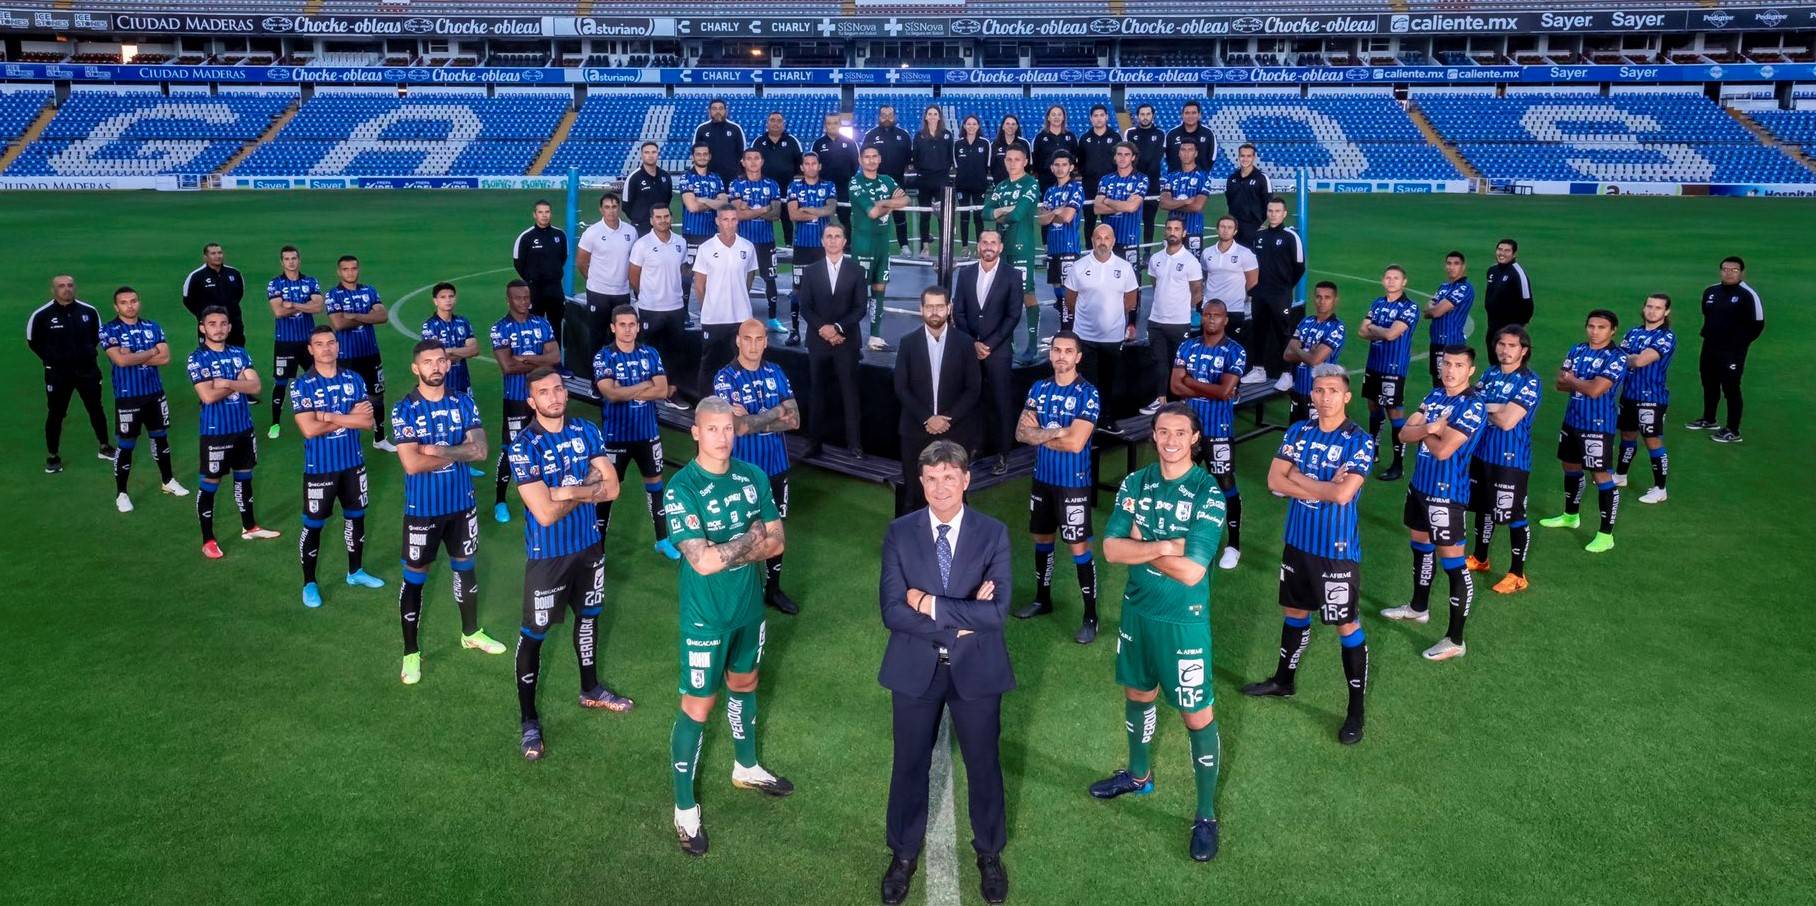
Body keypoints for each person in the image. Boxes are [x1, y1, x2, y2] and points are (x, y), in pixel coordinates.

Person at [877, 440, 1014, 906]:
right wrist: (959, 620)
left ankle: (990, 853)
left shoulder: (993, 533)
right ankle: (902, 854)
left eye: (949, 477)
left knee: (984, 765)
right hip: (916, 668)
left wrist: (929, 603)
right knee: (909, 764)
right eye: (931, 479)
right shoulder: (899, 532)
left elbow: (996, 614)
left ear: (966, 479)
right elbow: (892, 610)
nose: (940, 487)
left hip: (978, 670)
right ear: (921, 481)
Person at [1090, 403, 1229, 862]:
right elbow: (1110, 549)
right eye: (1162, 431)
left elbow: (1191, 571)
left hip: (1183, 623)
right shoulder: (1136, 482)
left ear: (1195, 439)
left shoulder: (1207, 490)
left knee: (1196, 715)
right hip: (1137, 615)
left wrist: (1143, 548)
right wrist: (1164, 545)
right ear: (1153, 435)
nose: (1170, 440)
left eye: (1180, 433)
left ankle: (1205, 814)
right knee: (1138, 694)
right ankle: (1137, 775)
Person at [664, 395, 794, 856]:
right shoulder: (682, 487)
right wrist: (749, 539)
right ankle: (684, 809)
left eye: (728, 429)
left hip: (748, 608)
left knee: (747, 681)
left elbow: (776, 542)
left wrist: (734, 549)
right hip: (705, 616)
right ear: (695, 432)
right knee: (699, 704)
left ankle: (746, 766)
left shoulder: (752, 476)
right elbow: (701, 562)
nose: (722, 437)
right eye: (712, 429)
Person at [1241, 364, 1374, 745]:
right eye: (1319, 390)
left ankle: (1355, 711)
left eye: (1333, 390)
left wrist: (1296, 479)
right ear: (1311, 395)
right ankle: (1283, 681)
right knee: (1294, 612)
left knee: (1346, 625)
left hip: (1336, 550)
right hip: (1298, 542)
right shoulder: (1298, 431)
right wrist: (1317, 484)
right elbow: (1272, 480)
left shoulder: (1359, 440)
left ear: (1346, 396)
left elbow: (1343, 495)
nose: (1325, 397)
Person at [510, 367, 633, 761]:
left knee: (590, 618)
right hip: (548, 557)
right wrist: (587, 489)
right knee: (534, 635)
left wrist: (566, 489)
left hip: (589, 547)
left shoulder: (586, 430)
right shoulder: (522, 446)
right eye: (544, 392)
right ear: (532, 401)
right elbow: (544, 515)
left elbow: (612, 487)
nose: (554, 396)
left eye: (559, 388)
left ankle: (590, 689)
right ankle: (529, 720)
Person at [390, 339, 505, 687]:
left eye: (441, 361)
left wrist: (437, 449)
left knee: (466, 571)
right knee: (415, 578)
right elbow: (411, 463)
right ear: (416, 368)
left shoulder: (463, 401)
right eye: (428, 362)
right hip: (422, 510)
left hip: (461, 507)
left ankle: (470, 632)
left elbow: (482, 450)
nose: (436, 367)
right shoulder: (404, 409)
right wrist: (459, 451)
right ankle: (411, 653)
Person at [1379, 346, 1487, 661]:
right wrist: (1431, 428)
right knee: (1420, 546)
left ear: (1471, 370)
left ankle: (1455, 639)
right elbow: (1402, 435)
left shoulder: (1472, 406)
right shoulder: (1435, 395)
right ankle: (1418, 607)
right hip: (1420, 487)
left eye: (1458, 365)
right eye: (1446, 364)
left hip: (1447, 494)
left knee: (1454, 565)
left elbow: (1444, 451)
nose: (1450, 370)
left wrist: (1422, 430)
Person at [1013, 332, 1102, 643]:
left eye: (1068, 351)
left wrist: (1043, 433)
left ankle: (1091, 616)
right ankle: (1042, 599)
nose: (1061, 355)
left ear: (1078, 357)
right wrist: (1059, 431)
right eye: (1056, 350)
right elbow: (1021, 433)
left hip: (1073, 485)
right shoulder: (1039, 388)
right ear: (1050, 354)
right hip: (1043, 479)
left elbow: (1077, 443)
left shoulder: (1087, 393)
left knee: (1078, 547)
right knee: (1042, 538)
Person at [289, 326, 385, 609]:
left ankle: (355, 571)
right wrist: (347, 417)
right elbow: (308, 429)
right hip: (320, 468)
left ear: (338, 346)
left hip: (353, 465)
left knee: (356, 519)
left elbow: (368, 422)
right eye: (319, 344)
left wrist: (327, 416)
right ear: (311, 350)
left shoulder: (354, 379)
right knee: (314, 525)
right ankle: (309, 582)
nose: (326, 348)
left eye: (331, 342)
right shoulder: (302, 384)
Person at [714, 320, 803, 615]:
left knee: (775, 527)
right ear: (738, 341)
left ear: (766, 341)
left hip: (776, 466)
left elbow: (796, 420)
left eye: (759, 339)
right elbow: (738, 428)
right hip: (742, 471)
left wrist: (756, 418)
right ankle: (741, 591)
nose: (753, 345)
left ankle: (773, 588)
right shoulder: (725, 378)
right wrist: (777, 411)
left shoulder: (775, 372)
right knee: (741, 531)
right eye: (747, 339)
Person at [187, 306, 280, 558]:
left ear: (229, 327)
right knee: (210, 485)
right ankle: (208, 539)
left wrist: (226, 382)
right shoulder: (197, 358)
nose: (218, 328)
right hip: (216, 433)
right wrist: (240, 384)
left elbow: (257, 386)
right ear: (202, 328)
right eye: (213, 323)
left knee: (245, 478)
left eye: (223, 323)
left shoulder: (240, 353)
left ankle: (249, 527)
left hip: (243, 429)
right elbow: (207, 396)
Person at [1539, 310, 1628, 553]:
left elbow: (1596, 390)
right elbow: (1559, 383)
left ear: (1613, 330)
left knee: (1601, 476)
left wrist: (1574, 380)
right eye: (1591, 326)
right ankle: (1570, 515)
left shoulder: (1617, 357)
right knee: (1570, 466)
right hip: (1572, 421)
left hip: (1598, 425)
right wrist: (1578, 381)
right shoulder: (1577, 349)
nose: (1595, 331)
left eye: (1601, 327)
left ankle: (1605, 534)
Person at [593, 305, 678, 560]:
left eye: (632, 325)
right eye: (622, 325)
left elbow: (662, 390)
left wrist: (625, 390)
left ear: (638, 326)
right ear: (613, 327)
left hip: (647, 434)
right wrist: (644, 385)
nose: (628, 330)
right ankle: (598, 547)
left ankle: (662, 540)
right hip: (615, 438)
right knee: (607, 490)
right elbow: (610, 393)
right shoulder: (604, 356)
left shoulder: (650, 353)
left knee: (655, 487)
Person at [1171, 298, 1248, 571]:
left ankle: (1233, 544)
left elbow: (1224, 392)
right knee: (1184, 482)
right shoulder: (1187, 346)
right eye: (1206, 315)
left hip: (1219, 430)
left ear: (1226, 319)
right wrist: (1210, 389)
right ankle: (1183, 539)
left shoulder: (1235, 351)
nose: (1211, 319)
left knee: (1226, 484)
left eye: (1216, 315)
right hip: (1188, 431)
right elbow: (1174, 387)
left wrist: (1190, 381)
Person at [1465, 325, 1541, 596]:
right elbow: (1473, 402)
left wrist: (1489, 408)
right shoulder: (1491, 374)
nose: (1504, 349)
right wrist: (1497, 406)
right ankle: (1480, 558)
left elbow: (1508, 421)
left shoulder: (1530, 381)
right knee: (1484, 508)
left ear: (1524, 350)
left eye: (1511, 345)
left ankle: (1517, 573)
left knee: (1515, 516)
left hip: (1511, 459)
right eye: (1501, 344)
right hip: (1483, 453)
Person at [894, 287, 981, 513]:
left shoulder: (964, 343)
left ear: (948, 308)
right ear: (921, 309)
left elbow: (973, 388)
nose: (935, 312)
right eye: (930, 307)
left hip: (956, 430)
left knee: (954, 492)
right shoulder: (908, 343)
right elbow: (901, 387)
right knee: (914, 493)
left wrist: (946, 419)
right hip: (915, 430)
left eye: (940, 307)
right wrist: (927, 418)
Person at [101, 286, 184, 510]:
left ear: (139, 302)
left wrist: (135, 356)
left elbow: (165, 357)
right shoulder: (109, 330)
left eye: (134, 301)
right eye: (124, 302)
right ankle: (121, 493)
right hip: (128, 397)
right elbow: (120, 361)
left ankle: (168, 481)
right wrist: (150, 353)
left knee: (161, 438)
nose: (130, 305)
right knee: (126, 445)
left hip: (155, 394)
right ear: (116, 306)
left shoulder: (152, 326)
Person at [490, 280, 560, 524]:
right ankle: (500, 500)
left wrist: (528, 358)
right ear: (508, 300)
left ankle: (547, 495)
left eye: (526, 297)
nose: (523, 302)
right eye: (518, 298)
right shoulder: (500, 328)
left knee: (548, 445)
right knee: (510, 449)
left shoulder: (542, 323)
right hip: (516, 399)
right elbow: (508, 367)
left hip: (543, 399)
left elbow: (556, 358)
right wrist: (541, 361)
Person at [951, 230, 1022, 475]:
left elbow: (1013, 315)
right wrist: (972, 343)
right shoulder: (966, 273)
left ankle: (1003, 453)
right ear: (978, 245)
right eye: (984, 242)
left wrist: (989, 344)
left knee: (1001, 402)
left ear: (1001, 247)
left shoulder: (1012, 275)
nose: (988, 246)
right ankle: (974, 448)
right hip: (969, 350)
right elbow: (958, 312)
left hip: (998, 351)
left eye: (993, 242)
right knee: (972, 401)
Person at [28, 274, 112, 473]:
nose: (67, 289)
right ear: (53, 290)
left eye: (70, 285)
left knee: (95, 408)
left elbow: (96, 336)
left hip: (87, 371)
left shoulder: (88, 311)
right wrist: (52, 358)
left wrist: (83, 354)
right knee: (56, 414)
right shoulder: (41, 315)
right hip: (58, 374)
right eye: (61, 286)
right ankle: (53, 455)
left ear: (75, 288)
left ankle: (104, 447)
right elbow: (33, 342)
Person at [799, 223, 866, 457]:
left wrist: (836, 328)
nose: (833, 240)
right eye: (829, 236)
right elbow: (805, 307)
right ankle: (814, 442)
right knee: (816, 392)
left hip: (847, 342)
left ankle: (855, 444)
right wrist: (823, 329)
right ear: (822, 241)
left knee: (850, 394)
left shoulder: (857, 271)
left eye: (838, 236)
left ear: (844, 241)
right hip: (818, 342)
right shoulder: (811, 271)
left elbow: (860, 308)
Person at [1064, 225, 1139, 414]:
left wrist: (1112, 316)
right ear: (1092, 240)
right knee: (1086, 382)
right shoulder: (1079, 266)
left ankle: (1105, 420)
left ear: (1113, 241)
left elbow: (1130, 300)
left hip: (1113, 338)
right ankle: (1086, 421)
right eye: (1099, 238)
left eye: (1107, 238)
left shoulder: (1124, 267)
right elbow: (1070, 299)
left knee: (1109, 381)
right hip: (1085, 337)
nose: (1102, 242)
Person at [1690, 256, 1764, 444]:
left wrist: (1739, 344)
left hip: (1733, 350)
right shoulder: (1711, 291)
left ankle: (1733, 430)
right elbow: (1707, 314)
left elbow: (1757, 324)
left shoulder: (1748, 295)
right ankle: (1709, 419)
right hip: (1710, 345)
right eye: (1725, 269)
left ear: (1742, 272)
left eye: (1734, 270)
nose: (1729, 273)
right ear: (1720, 270)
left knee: (1731, 388)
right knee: (1709, 382)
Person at [323, 254, 392, 451]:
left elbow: (383, 316)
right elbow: (338, 323)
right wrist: (368, 316)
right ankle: (346, 441)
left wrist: (354, 315)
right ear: (339, 272)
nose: (350, 272)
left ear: (358, 269)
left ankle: (379, 439)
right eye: (345, 269)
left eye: (353, 268)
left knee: (377, 397)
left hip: (370, 354)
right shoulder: (333, 295)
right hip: (346, 356)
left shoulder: (369, 290)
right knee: (345, 399)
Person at [1359, 265, 1421, 481]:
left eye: (1396, 278)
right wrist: (1381, 331)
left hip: (1394, 368)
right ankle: (1373, 452)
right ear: (1383, 280)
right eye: (1388, 277)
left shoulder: (1409, 307)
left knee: (1394, 412)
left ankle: (1398, 464)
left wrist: (1375, 329)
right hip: (1374, 364)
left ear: (1404, 282)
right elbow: (1361, 330)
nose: (1392, 281)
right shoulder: (1377, 303)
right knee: (1373, 405)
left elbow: (1392, 335)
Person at [1617, 294, 1676, 504]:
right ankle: (1621, 476)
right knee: (1627, 436)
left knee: (1652, 441)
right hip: (1629, 395)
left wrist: (1625, 359)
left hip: (1652, 398)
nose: (1652, 311)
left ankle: (1660, 488)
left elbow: (1641, 361)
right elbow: (1619, 358)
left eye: (1658, 308)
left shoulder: (1665, 337)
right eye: (1649, 306)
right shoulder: (1633, 332)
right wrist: (1625, 359)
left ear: (1666, 312)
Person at [987, 145, 1043, 364]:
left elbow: (1018, 214)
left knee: (1026, 293)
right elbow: (986, 212)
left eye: (1017, 159)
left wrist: (1000, 212)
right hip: (1002, 246)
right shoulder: (1000, 186)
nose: (1012, 163)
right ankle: (1006, 343)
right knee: (1003, 294)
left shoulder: (1031, 183)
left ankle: (1032, 345)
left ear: (1025, 161)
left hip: (1022, 244)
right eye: (1008, 159)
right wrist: (1001, 211)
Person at [850, 146, 909, 351]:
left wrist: (883, 201)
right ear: (860, 160)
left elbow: (906, 199)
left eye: (875, 156)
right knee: (858, 292)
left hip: (883, 243)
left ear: (880, 159)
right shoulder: (856, 182)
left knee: (879, 288)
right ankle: (851, 333)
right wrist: (894, 203)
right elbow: (873, 213)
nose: (871, 160)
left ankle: (875, 336)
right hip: (863, 243)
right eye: (867, 157)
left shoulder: (887, 180)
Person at [693, 208, 759, 390]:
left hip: (741, 318)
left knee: (742, 364)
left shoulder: (747, 247)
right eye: (725, 220)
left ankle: (741, 406)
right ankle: (705, 407)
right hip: (714, 319)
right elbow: (699, 286)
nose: (730, 224)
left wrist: (740, 297)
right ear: (717, 221)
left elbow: (749, 277)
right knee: (709, 365)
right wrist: (710, 306)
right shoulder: (706, 248)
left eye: (733, 219)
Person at [1143, 218, 1204, 416]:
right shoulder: (1156, 259)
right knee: (1159, 362)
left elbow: (1197, 291)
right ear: (1165, 232)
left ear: (1184, 233)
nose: (1172, 232)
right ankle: (1160, 400)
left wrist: (1182, 309)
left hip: (1179, 323)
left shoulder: (1190, 261)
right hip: (1156, 321)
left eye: (1177, 229)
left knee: (1181, 364)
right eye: (1169, 228)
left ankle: (1183, 402)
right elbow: (1155, 283)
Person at [264, 246, 323, 438]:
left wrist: (293, 304)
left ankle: (320, 417)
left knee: (317, 379)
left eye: (294, 258)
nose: (291, 262)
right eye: (287, 259)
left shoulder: (310, 281)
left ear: (299, 260)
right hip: (285, 342)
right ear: (282, 262)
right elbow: (278, 311)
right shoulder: (275, 284)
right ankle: (275, 423)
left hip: (309, 342)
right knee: (281, 382)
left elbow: (318, 307)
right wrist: (305, 305)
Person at [627, 206, 690, 389]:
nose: (663, 220)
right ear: (652, 220)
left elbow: (683, 269)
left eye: (666, 216)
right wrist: (644, 295)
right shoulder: (642, 244)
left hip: (675, 308)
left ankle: (671, 392)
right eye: (658, 217)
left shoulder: (680, 242)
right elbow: (633, 274)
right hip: (650, 308)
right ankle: (646, 390)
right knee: (648, 352)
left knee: (675, 353)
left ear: (671, 217)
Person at [786, 151, 839, 346]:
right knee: (798, 289)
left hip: (824, 248)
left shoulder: (829, 186)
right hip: (802, 246)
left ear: (819, 166)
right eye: (806, 164)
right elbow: (793, 215)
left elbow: (830, 210)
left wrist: (806, 209)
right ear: (802, 167)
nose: (810, 167)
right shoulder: (794, 186)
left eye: (813, 163)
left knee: (827, 289)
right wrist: (818, 211)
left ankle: (825, 329)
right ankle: (794, 331)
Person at [577, 192, 639, 358]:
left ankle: (619, 372)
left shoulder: (631, 232)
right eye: (607, 207)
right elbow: (581, 262)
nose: (611, 211)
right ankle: (596, 380)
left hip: (621, 293)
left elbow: (635, 261)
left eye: (614, 207)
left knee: (620, 336)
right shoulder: (592, 232)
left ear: (618, 208)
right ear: (601, 209)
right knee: (596, 336)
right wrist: (594, 280)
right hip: (598, 293)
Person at [729, 149, 784, 332]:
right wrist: (763, 209)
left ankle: (773, 319)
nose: (753, 162)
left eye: (756, 158)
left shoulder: (772, 184)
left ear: (762, 161)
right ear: (743, 162)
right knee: (744, 279)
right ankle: (742, 317)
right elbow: (737, 215)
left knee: (770, 278)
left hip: (766, 240)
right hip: (743, 242)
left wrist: (749, 209)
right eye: (749, 159)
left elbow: (776, 214)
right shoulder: (736, 185)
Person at [1253, 199, 1306, 390]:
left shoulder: (1291, 237)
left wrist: (1286, 286)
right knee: (1258, 330)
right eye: (1270, 210)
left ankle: (1287, 373)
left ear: (1284, 214)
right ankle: (1258, 370)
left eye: (1277, 211)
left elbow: (1300, 266)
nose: (1273, 214)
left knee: (1283, 333)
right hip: (1260, 293)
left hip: (1280, 294)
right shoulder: (1259, 236)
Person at [1201, 216, 1261, 382]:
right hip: (1210, 310)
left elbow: (1253, 281)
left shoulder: (1245, 254)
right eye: (1222, 226)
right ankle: (1208, 383)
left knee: (1232, 351)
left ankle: (1233, 389)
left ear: (1235, 231)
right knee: (1209, 349)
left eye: (1229, 227)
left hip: (1233, 310)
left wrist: (1247, 302)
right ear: (1217, 229)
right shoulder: (1207, 253)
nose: (1225, 230)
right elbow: (1205, 275)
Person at [1282, 282, 1344, 423]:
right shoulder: (1306, 322)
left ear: (1335, 300)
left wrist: (1297, 349)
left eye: (1327, 297)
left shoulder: (1337, 327)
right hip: (1298, 390)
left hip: (1321, 394)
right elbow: (1286, 355)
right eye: (1318, 297)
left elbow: (1315, 361)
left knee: (1317, 438)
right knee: (1296, 435)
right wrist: (1308, 353)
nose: (1322, 301)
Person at [678, 144, 729, 310]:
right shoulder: (686, 178)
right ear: (693, 157)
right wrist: (712, 202)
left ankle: (712, 309)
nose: (701, 157)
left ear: (709, 156)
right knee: (688, 273)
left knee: (714, 273)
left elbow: (724, 203)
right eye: (698, 154)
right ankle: (684, 311)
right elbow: (692, 207)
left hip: (713, 234)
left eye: (705, 154)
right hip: (693, 233)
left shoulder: (716, 178)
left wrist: (704, 200)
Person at [1039, 150, 1085, 333]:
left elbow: (1067, 217)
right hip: (1053, 247)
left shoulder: (1076, 188)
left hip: (1069, 246)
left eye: (1064, 165)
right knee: (1058, 293)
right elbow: (1042, 220)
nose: (1060, 168)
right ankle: (1064, 329)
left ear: (1071, 167)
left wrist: (1054, 213)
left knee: (1069, 293)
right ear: (1052, 167)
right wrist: (1056, 212)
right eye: (1056, 165)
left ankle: (1070, 332)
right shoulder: (1050, 191)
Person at [511, 201, 569, 346]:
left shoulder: (559, 235)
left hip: (555, 289)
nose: (544, 215)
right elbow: (518, 262)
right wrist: (531, 278)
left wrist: (552, 274)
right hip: (534, 291)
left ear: (551, 214)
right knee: (534, 326)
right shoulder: (526, 237)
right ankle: (535, 362)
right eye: (541, 212)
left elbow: (563, 257)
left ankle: (555, 363)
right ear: (534, 215)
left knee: (556, 327)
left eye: (547, 212)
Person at [863, 104, 915, 252]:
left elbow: (909, 160)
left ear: (895, 116)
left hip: (897, 183)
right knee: (876, 215)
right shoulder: (870, 135)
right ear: (879, 117)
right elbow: (864, 158)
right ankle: (873, 245)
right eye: (883, 115)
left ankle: (904, 245)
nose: (887, 118)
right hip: (876, 182)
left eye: (890, 115)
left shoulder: (904, 135)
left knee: (900, 215)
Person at [751, 112, 804, 246]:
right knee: (762, 216)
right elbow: (750, 163)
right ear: (767, 123)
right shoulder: (758, 141)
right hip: (762, 189)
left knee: (787, 217)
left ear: (784, 124)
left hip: (786, 188)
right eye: (772, 120)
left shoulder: (792, 141)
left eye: (779, 121)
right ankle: (761, 244)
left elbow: (801, 165)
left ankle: (789, 245)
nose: (775, 123)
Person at [1094, 142, 1149, 272]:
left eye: (1127, 155)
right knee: (1107, 282)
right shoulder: (1106, 179)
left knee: (1131, 284)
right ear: (1114, 157)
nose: (1122, 158)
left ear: (1133, 158)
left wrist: (1107, 200)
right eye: (1119, 154)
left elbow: (1132, 208)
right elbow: (1097, 208)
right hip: (1106, 241)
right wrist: (1124, 205)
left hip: (1129, 239)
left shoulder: (1141, 179)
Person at [418, 282, 479, 397]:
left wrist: (450, 351)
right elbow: (434, 356)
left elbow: (474, 350)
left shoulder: (463, 322)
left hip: (463, 383)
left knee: (466, 414)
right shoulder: (429, 326)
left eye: (451, 296)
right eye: (443, 297)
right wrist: (461, 352)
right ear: (435, 301)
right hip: (441, 386)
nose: (448, 300)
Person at [181, 242, 247, 348]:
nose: (217, 256)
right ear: (205, 257)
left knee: (237, 358)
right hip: (210, 327)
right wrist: (203, 315)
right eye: (213, 253)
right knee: (210, 358)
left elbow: (239, 294)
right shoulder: (196, 276)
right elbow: (188, 300)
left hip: (234, 325)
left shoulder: (234, 274)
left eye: (219, 253)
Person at [1423, 251, 1474, 388]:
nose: (1451, 267)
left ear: (1463, 267)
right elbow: (1428, 310)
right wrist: (1434, 310)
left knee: (1450, 385)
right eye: (1449, 263)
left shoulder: (1464, 288)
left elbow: (1436, 311)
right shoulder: (1443, 287)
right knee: (1437, 384)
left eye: (1456, 264)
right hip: (1436, 343)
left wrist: (1434, 309)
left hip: (1452, 344)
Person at [909, 104, 953, 256]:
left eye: (935, 113)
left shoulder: (947, 135)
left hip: (942, 180)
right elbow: (915, 158)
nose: (933, 116)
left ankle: (944, 247)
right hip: (924, 180)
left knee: (943, 215)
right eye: (930, 113)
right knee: (925, 214)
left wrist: (943, 172)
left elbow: (949, 157)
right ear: (926, 116)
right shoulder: (919, 135)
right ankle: (925, 247)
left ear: (939, 116)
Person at [1481, 238, 1532, 360]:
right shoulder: (1492, 270)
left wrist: (1521, 325)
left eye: (1507, 251)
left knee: (1509, 363)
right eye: (1499, 249)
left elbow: (1528, 302)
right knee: (1493, 362)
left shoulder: (1518, 273)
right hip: (1492, 326)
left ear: (1514, 254)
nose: (1502, 253)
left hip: (1510, 329)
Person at [1158, 139, 1211, 257]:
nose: (1186, 153)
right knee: (1169, 265)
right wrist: (1186, 201)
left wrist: (1173, 203)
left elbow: (1197, 206)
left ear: (1196, 153)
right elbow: (1163, 204)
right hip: (1172, 231)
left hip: (1193, 230)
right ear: (1179, 153)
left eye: (1190, 150)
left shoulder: (1204, 177)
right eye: (1183, 150)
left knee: (1193, 269)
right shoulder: (1170, 177)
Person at [1076, 104, 1122, 239]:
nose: (1099, 119)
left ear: (1107, 117)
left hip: (1110, 186)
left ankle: (1111, 249)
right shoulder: (1084, 138)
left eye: (1102, 115)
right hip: (1089, 185)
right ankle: (1090, 250)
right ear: (1091, 118)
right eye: (1095, 116)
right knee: (1089, 220)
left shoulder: (1115, 137)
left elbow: (1119, 161)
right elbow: (1081, 161)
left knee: (1110, 219)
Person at [811, 112, 861, 232]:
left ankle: (847, 246)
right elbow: (813, 165)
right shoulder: (818, 144)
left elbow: (856, 164)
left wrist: (846, 178)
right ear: (825, 125)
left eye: (835, 123)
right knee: (823, 218)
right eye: (829, 123)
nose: (832, 126)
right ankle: (821, 246)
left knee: (845, 218)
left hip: (844, 188)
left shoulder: (850, 143)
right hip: (823, 188)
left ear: (840, 124)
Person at [1125, 103, 1166, 242]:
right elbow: (1127, 157)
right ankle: (1130, 249)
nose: (1145, 117)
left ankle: (1147, 253)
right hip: (1133, 184)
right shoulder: (1130, 133)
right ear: (1137, 116)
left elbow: (1157, 159)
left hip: (1152, 185)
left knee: (1149, 220)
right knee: (1131, 219)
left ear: (1152, 115)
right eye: (1142, 114)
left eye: (1148, 114)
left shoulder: (1160, 134)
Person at [952, 115, 992, 248]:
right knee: (964, 216)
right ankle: (964, 247)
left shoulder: (985, 143)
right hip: (962, 185)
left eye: (974, 124)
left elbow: (987, 165)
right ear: (964, 126)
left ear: (978, 126)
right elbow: (956, 165)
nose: (971, 126)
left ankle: (980, 246)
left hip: (979, 186)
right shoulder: (958, 144)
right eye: (968, 124)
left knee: (978, 216)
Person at [1223, 144, 1268, 249]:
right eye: (1242, 156)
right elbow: (1230, 201)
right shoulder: (1232, 178)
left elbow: (1268, 204)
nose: (1245, 159)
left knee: (1252, 260)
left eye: (1249, 156)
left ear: (1254, 157)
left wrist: (1261, 223)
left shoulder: (1261, 178)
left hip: (1254, 228)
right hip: (1234, 227)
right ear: (1238, 157)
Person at [621, 141, 672, 234]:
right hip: (641, 228)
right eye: (647, 152)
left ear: (658, 154)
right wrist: (640, 218)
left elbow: (668, 199)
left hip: (663, 227)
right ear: (641, 155)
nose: (650, 155)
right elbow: (626, 205)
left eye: (654, 152)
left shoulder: (666, 176)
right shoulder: (634, 177)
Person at [693, 98, 746, 185]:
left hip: (732, 177)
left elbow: (742, 154)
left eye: (721, 108)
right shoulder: (701, 129)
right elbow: (695, 153)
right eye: (714, 109)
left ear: (726, 111)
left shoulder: (736, 129)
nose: (718, 111)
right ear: (709, 111)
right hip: (708, 176)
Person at [1032, 103, 1077, 194]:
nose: (1056, 117)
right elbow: (1036, 159)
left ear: (1064, 117)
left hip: (1066, 180)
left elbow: (1075, 157)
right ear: (1048, 118)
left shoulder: (1071, 137)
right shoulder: (1040, 137)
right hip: (1046, 180)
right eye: (1053, 114)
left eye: (1059, 114)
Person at [1164, 100, 1213, 174]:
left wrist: (1202, 173)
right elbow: (1166, 157)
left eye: (1194, 113)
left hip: (1201, 179)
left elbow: (1212, 158)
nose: (1190, 116)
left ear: (1199, 115)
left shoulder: (1208, 134)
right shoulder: (1172, 134)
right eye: (1187, 113)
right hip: (1175, 179)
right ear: (1182, 115)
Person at [987, 114, 1030, 187]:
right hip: (1000, 186)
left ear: (1017, 127)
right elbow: (991, 166)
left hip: (1019, 186)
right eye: (1007, 124)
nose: (1010, 126)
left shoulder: (1024, 144)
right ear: (1003, 127)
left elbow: (1028, 166)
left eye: (1013, 124)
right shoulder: (994, 145)